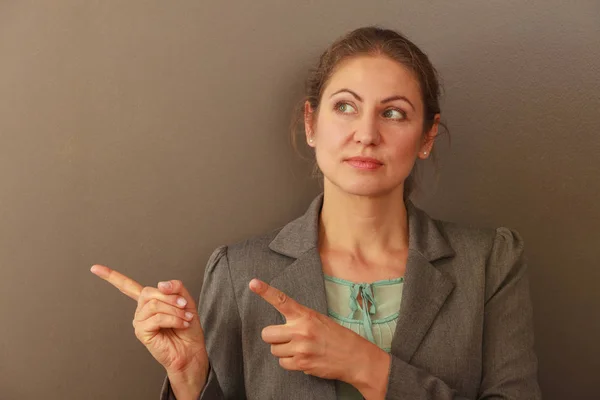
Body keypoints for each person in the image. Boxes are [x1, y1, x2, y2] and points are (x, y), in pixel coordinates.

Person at [91, 26, 542, 399]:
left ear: (427, 136)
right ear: (311, 124)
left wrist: (367, 366)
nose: (366, 134)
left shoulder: (489, 263)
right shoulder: (239, 271)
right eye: (345, 107)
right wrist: (189, 376)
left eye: (394, 113)